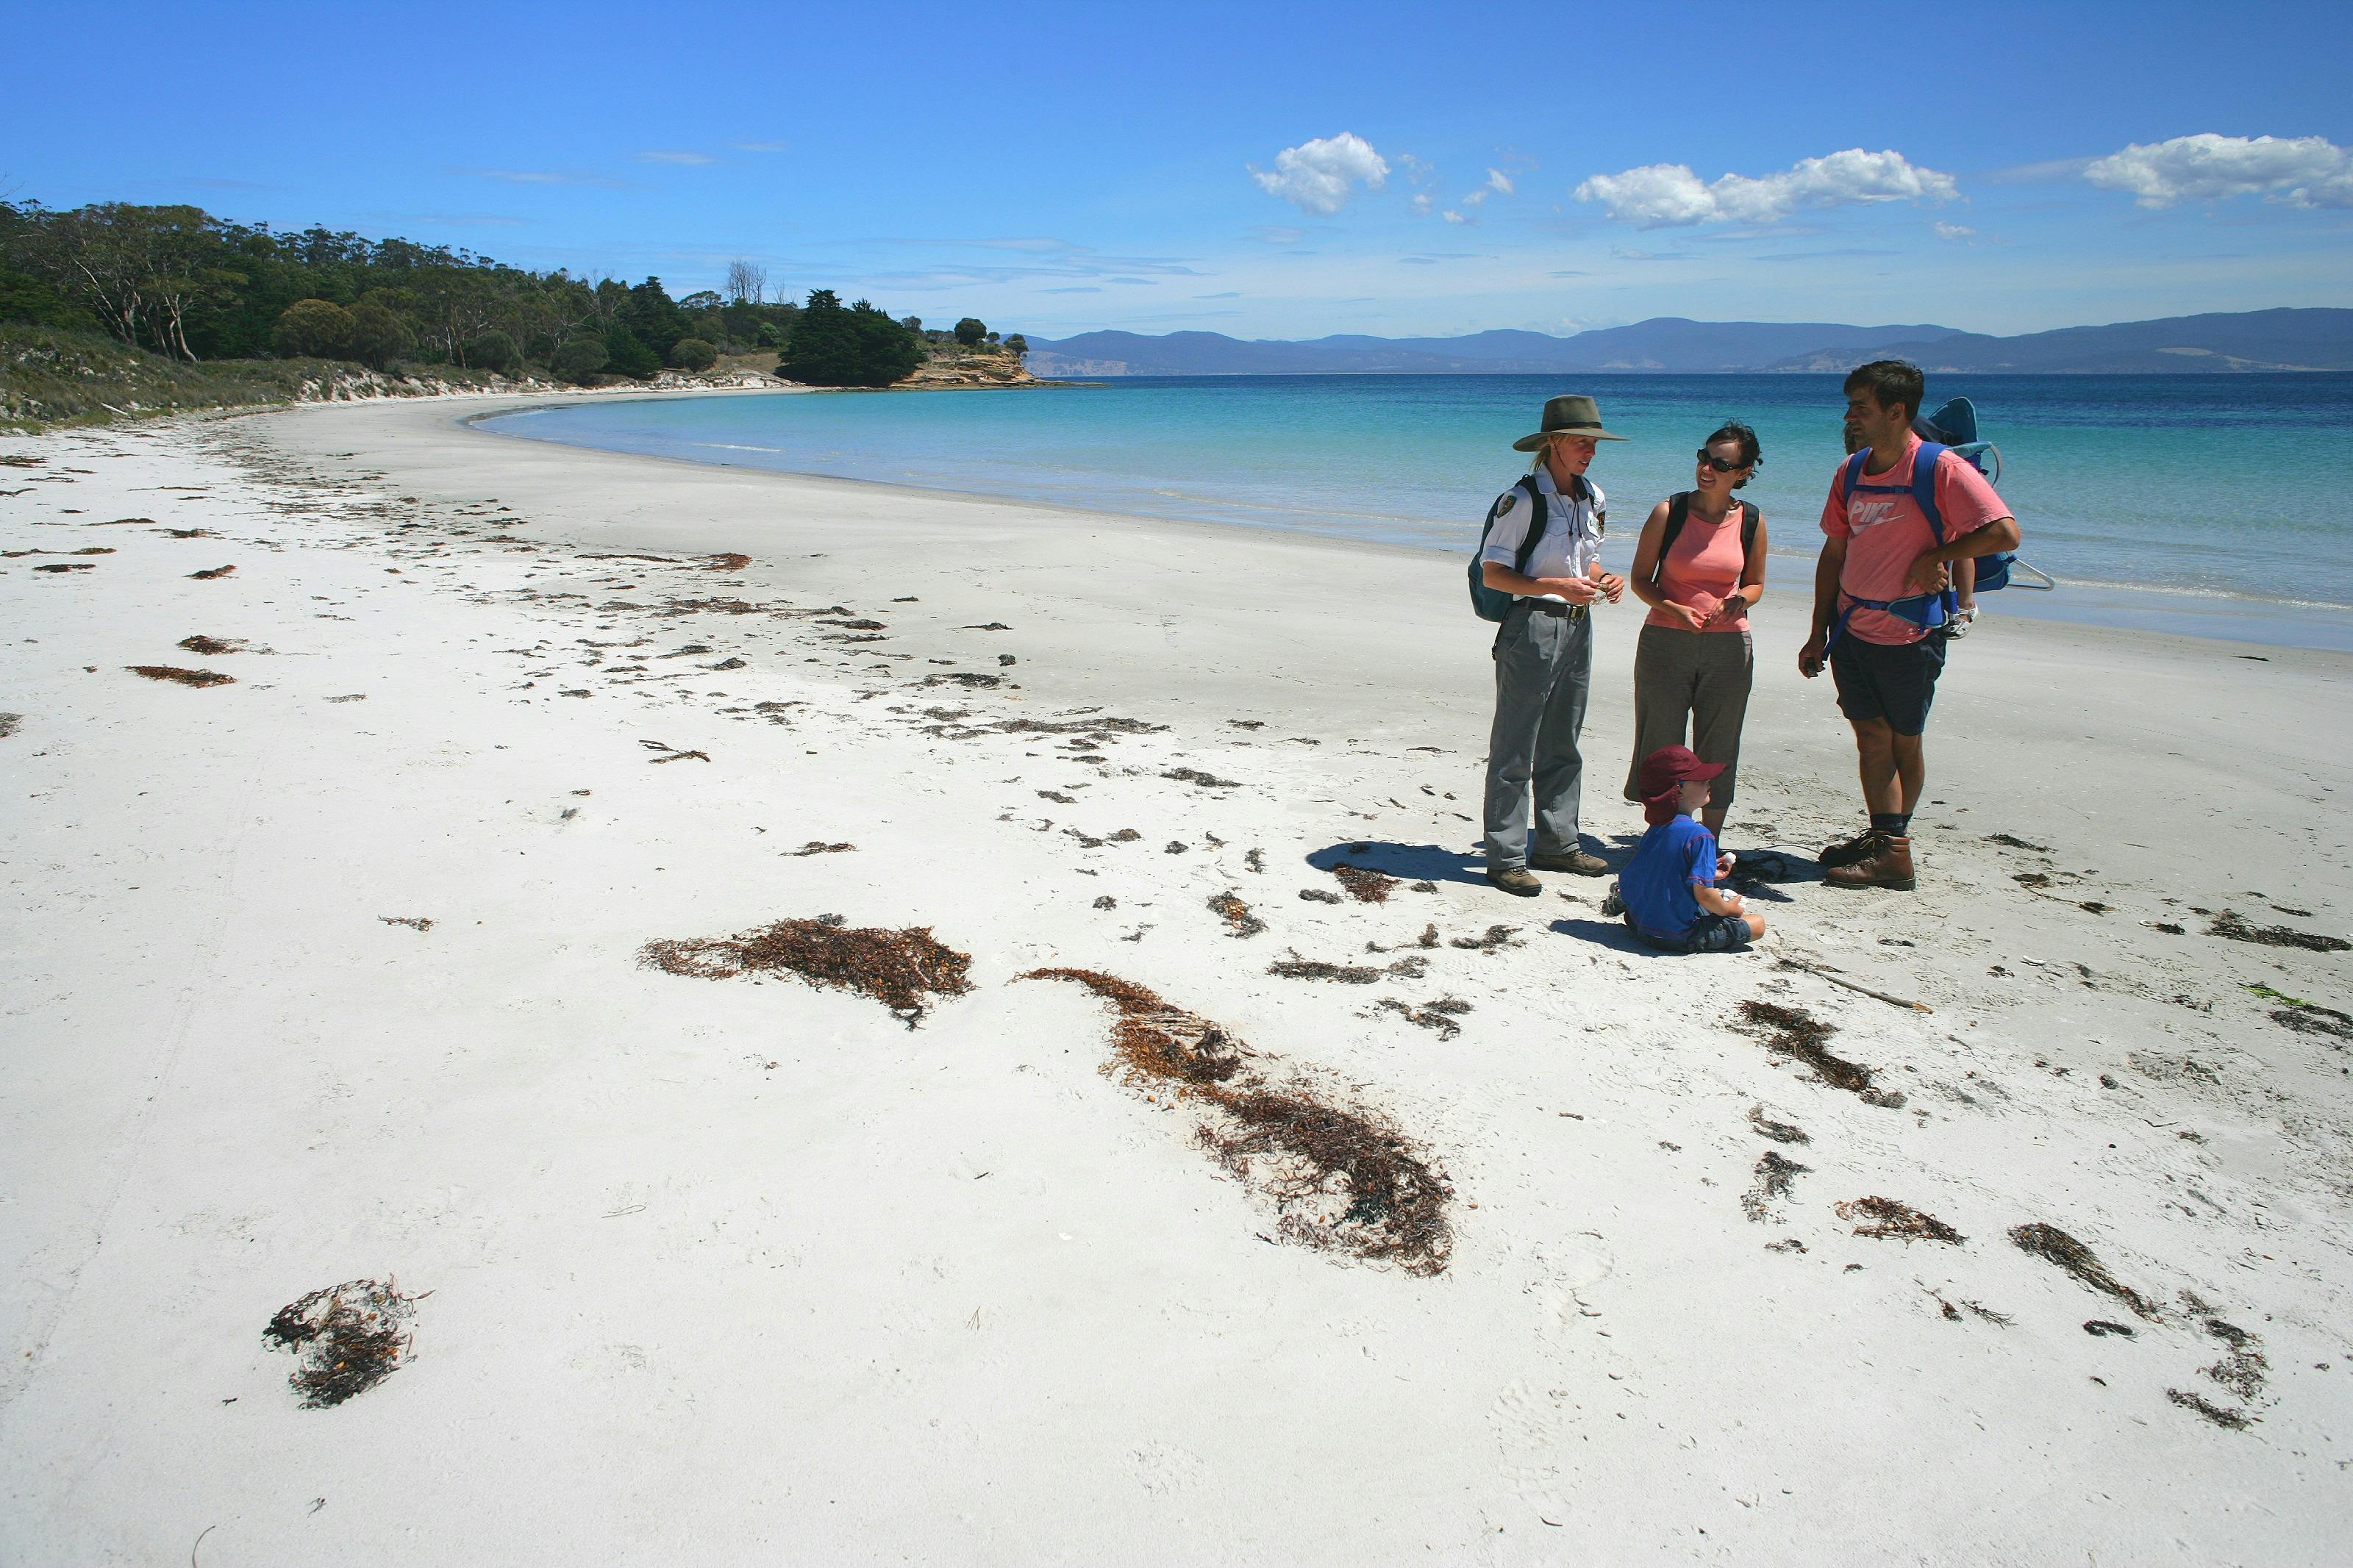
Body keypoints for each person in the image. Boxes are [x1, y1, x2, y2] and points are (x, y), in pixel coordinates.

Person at [1799, 361, 2022, 890]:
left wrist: (1941, 554)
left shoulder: (1940, 468)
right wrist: (1817, 631)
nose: (1850, 415)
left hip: (1911, 635)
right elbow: (1834, 553)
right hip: (1852, 629)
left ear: (1897, 412)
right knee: (1871, 739)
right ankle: (1886, 842)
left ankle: (1893, 851)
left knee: (1903, 743)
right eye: (1851, 405)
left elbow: (2005, 533)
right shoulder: (1850, 471)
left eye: (1861, 407)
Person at [1479, 395, 1627, 896]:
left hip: (1578, 625)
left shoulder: (1594, 497)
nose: (1589, 451)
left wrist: (1605, 580)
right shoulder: (1521, 500)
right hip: (1532, 628)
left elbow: (1585, 564)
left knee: (1564, 738)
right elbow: (1495, 573)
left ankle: (1558, 842)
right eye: (1580, 442)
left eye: (1593, 443)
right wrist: (1557, 588)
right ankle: (1505, 857)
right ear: (1553, 444)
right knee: (1516, 743)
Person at [1622, 423, 1766, 840]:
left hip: (1729, 647)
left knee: (1720, 743)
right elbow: (1640, 580)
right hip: (1665, 642)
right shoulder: (1670, 512)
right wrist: (1674, 609)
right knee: (1661, 743)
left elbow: (1755, 583)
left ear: (1743, 470)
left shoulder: (1751, 520)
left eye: (1721, 463)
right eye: (1704, 457)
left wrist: (1739, 601)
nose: (1707, 468)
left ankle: (1708, 840)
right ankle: (1662, 836)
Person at [1618, 744, 1764, 952]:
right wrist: (1730, 911)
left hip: (1638, 925)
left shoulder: (1657, 827)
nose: (1708, 783)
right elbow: (1705, 896)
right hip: (1676, 936)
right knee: (1757, 923)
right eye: (1702, 779)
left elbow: (1656, 871)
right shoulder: (1700, 836)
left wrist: (1708, 871)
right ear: (1679, 788)